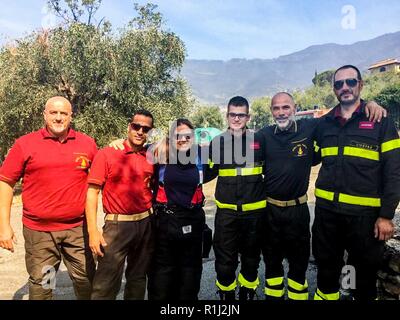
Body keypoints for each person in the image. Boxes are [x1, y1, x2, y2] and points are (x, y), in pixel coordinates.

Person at [258, 91, 388, 300]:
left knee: (299, 266)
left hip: (299, 211)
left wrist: (368, 104)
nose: (281, 112)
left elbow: (342, 114)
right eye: (276, 108)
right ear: (271, 111)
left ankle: (320, 293)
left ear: (295, 108)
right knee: (272, 264)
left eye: (286, 107)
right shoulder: (263, 135)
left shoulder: (312, 127)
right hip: (270, 212)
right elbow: (240, 149)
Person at [312, 65, 400, 301]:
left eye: (351, 82)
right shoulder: (324, 124)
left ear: (360, 85)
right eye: (339, 84)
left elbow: (394, 171)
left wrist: (386, 215)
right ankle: (338, 293)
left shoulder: (381, 121)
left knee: (363, 275)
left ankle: (351, 293)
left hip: (364, 218)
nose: (345, 87)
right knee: (327, 269)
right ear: (334, 90)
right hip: (327, 215)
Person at [0, 96, 97, 300]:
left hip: (77, 230)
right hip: (41, 233)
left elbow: (101, 177)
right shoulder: (26, 144)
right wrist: (4, 226)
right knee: (45, 283)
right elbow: (6, 183)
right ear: (45, 115)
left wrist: (119, 145)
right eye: (53, 112)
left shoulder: (86, 143)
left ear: (71, 116)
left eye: (64, 113)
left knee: (85, 279)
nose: (59, 117)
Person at [87, 110, 155, 300]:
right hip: (117, 227)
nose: (140, 131)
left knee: (138, 279)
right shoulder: (107, 154)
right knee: (105, 285)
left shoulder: (151, 156)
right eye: (136, 126)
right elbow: (92, 193)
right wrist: (93, 231)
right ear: (129, 127)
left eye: (146, 128)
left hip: (146, 224)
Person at [209, 96, 266, 300]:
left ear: (248, 117)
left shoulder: (260, 140)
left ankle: (248, 292)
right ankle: (226, 294)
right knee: (225, 260)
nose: (236, 118)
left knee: (251, 259)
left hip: (255, 214)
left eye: (241, 115)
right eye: (233, 114)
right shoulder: (217, 142)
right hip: (227, 214)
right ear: (227, 116)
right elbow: (203, 171)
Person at [147, 118, 209, 300]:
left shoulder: (202, 155)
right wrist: (118, 142)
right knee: (161, 282)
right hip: (165, 225)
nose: (182, 139)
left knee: (189, 282)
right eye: (177, 135)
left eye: (187, 135)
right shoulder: (158, 154)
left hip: (193, 223)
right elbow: (135, 147)